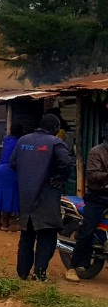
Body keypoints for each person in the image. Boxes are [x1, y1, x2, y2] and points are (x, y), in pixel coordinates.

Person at [11, 113, 73, 281]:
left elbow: (13, 164)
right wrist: (61, 178)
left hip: (26, 197)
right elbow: (66, 163)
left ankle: (22, 273)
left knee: (27, 235)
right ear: (54, 128)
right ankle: (39, 274)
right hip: (46, 197)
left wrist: (29, 174)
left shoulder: (23, 140)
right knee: (47, 236)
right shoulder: (56, 142)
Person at [69, 124, 108, 282]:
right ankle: (73, 266)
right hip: (98, 197)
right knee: (87, 231)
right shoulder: (96, 152)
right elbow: (92, 176)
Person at [0, 123, 22, 230]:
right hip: (9, 170)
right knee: (9, 196)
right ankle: (5, 224)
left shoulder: (7, 139)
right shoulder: (20, 142)